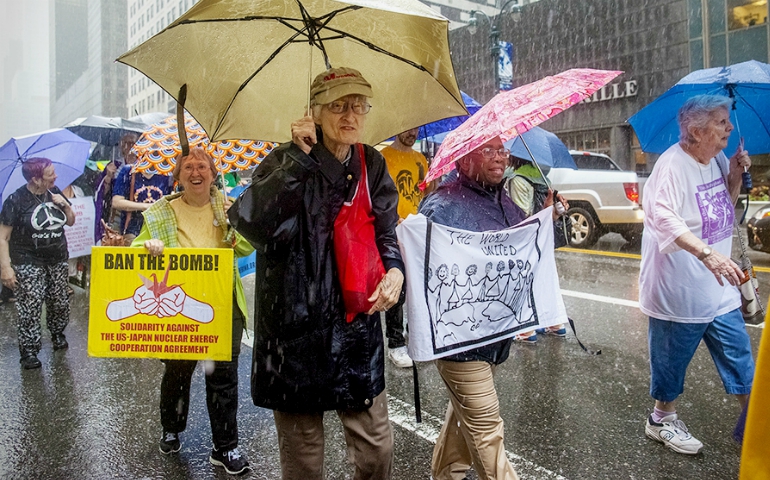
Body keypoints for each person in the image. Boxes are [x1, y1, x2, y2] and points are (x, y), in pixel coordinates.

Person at [229, 66, 404, 480]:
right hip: (295, 333)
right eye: (338, 106)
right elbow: (255, 224)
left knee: (376, 451)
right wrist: (297, 158)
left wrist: (394, 271)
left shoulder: (371, 162)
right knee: (304, 460)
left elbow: (386, 232)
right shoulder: (284, 158)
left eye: (358, 106)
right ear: (314, 112)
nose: (350, 116)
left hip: (355, 329)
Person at [419, 137, 567, 480]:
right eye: (488, 150)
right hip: (459, 342)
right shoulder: (441, 206)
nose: (500, 157)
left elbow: (532, 252)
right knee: (486, 427)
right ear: (464, 159)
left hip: (495, 334)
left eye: (502, 150)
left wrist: (549, 217)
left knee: (463, 418)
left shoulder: (506, 202)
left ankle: (446, 474)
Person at [639, 94, 755, 455]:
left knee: (740, 358)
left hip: (718, 288)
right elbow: (663, 219)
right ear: (695, 129)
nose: (729, 127)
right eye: (721, 122)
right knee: (671, 364)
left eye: (726, 120)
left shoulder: (717, 158)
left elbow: (724, 205)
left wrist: (735, 174)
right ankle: (661, 420)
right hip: (679, 288)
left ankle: (756, 423)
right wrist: (708, 255)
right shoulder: (671, 166)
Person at [131, 147, 253, 475]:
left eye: (202, 166)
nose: (196, 172)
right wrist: (148, 247)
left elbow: (247, 246)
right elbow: (133, 251)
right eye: (188, 167)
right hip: (176, 306)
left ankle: (225, 447)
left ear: (213, 174)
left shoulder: (228, 207)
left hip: (222, 302)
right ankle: (171, 428)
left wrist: (234, 221)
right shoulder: (160, 212)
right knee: (178, 371)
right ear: (178, 176)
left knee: (223, 377)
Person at [0, 158, 75, 369]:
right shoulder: (16, 200)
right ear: (35, 178)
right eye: (50, 174)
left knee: (59, 301)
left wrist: (65, 207)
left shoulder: (55, 192)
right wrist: (5, 268)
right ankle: (29, 351)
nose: (56, 176)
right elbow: (3, 237)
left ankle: (57, 332)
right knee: (31, 305)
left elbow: (70, 221)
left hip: (57, 257)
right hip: (27, 260)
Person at [380, 127, 430, 368]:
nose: (413, 133)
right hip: (393, 230)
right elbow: (377, 195)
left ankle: (416, 333)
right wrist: (392, 219)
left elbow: (428, 191)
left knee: (417, 284)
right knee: (397, 286)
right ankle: (395, 342)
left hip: (416, 231)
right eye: (409, 128)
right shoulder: (384, 158)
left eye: (417, 129)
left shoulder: (421, 160)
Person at [506, 155, 569, 343]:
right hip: (545, 236)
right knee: (546, 277)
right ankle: (555, 324)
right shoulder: (543, 178)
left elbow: (522, 215)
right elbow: (550, 212)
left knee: (524, 279)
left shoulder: (518, 179)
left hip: (529, 238)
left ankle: (526, 330)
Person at [111, 147, 173, 245]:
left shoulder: (166, 174)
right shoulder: (129, 171)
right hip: (132, 230)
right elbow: (116, 201)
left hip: (158, 228)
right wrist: (145, 206)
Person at [95, 133, 138, 242]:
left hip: (136, 212)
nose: (129, 146)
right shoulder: (115, 165)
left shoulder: (144, 164)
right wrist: (108, 178)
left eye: (132, 143)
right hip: (116, 214)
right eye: (125, 143)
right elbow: (102, 194)